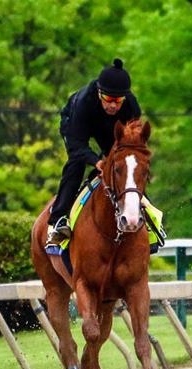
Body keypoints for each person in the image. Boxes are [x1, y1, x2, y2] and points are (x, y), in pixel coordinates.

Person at [46, 58, 142, 247]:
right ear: (99, 93)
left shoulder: (131, 106)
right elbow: (77, 145)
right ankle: (58, 218)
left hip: (110, 128)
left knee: (129, 165)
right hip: (76, 123)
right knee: (76, 163)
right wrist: (96, 161)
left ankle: (149, 218)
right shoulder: (84, 102)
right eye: (108, 99)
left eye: (118, 101)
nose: (113, 105)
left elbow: (132, 144)